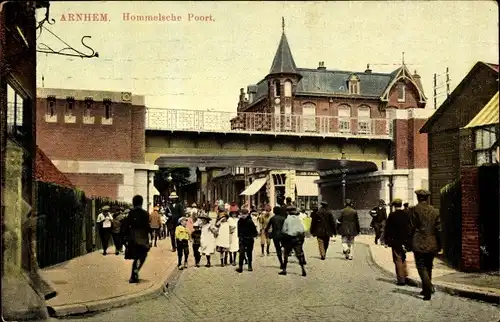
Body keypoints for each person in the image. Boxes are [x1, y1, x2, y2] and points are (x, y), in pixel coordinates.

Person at [409, 189, 442, 301]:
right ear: (427, 198)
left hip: (419, 242)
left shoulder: (414, 210)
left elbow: (412, 227)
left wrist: (408, 243)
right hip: (432, 242)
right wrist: (440, 244)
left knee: (421, 267)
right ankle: (425, 288)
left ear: (418, 198)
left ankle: (427, 290)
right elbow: (439, 229)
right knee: (429, 266)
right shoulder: (435, 211)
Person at [123, 195, 151, 283]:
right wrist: (150, 237)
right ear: (141, 202)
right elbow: (147, 227)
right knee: (143, 255)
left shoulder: (131, 213)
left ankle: (133, 276)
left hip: (133, 236)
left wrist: (125, 238)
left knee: (136, 257)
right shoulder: (145, 213)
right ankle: (136, 270)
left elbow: (126, 226)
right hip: (143, 236)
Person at [384, 198, 412, 286]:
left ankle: (401, 279)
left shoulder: (392, 215)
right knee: (403, 257)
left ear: (394, 206)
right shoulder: (406, 214)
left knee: (397, 259)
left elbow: (387, 229)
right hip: (405, 240)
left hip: (395, 241)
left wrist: (386, 240)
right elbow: (409, 227)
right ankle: (405, 275)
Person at [280, 206, 307, 277]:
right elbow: (302, 229)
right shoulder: (298, 219)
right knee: (299, 254)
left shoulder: (287, 220)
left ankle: (284, 270)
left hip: (289, 239)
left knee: (286, 254)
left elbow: (284, 230)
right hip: (297, 239)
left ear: (288, 212)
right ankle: (303, 269)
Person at [236, 208, 258, 273]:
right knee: (241, 253)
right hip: (242, 239)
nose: (243, 216)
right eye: (242, 214)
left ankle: (250, 265)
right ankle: (240, 267)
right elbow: (238, 231)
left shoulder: (250, 221)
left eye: (244, 214)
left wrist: (253, 236)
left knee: (249, 253)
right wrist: (239, 237)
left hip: (249, 239)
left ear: (247, 214)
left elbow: (254, 231)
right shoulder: (239, 221)